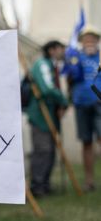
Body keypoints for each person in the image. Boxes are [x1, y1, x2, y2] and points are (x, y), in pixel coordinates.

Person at [26, 40, 68, 197]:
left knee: (50, 151)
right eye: (60, 49)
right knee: (42, 151)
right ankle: (36, 186)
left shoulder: (53, 65)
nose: (62, 52)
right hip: (40, 116)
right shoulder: (42, 64)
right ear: (51, 50)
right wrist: (63, 100)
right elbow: (47, 88)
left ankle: (44, 184)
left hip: (50, 115)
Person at [64, 25, 101, 191]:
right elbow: (69, 79)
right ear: (81, 41)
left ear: (97, 40)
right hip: (81, 104)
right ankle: (89, 181)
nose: (90, 41)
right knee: (86, 143)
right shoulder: (75, 58)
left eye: (93, 38)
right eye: (86, 38)